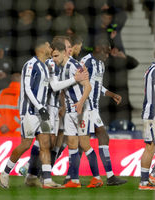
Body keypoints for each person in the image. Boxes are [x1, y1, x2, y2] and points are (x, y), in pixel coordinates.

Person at [20, 35, 88, 186]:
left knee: (58, 142)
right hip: (49, 107)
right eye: (68, 46)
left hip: (60, 108)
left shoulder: (68, 64)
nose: (70, 49)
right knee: (48, 141)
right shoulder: (51, 63)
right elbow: (55, 86)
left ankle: (44, 173)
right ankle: (31, 170)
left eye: (70, 46)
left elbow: (63, 89)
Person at [0, 38, 62, 189]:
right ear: (40, 48)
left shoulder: (46, 67)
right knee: (26, 144)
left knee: (45, 144)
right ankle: (5, 172)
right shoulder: (30, 64)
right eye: (48, 45)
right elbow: (27, 88)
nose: (50, 47)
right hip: (30, 112)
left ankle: (47, 181)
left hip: (43, 112)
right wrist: (40, 107)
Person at [51, 39, 103, 188]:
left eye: (55, 56)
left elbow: (88, 87)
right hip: (69, 112)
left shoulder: (75, 65)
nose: (54, 59)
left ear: (62, 53)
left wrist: (80, 103)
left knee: (85, 144)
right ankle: (74, 180)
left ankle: (97, 178)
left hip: (81, 111)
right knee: (72, 145)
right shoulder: (60, 68)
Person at [79, 38, 127, 186]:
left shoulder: (100, 64)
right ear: (98, 48)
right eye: (106, 51)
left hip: (93, 108)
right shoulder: (85, 62)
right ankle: (40, 170)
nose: (108, 55)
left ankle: (109, 176)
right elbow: (78, 83)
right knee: (72, 142)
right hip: (84, 108)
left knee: (98, 138)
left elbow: (96, 85)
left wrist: (111, 94)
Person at [138, 60, 155, 190]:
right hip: (153, 115)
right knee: (150, 146)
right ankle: (144, 181)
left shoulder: (151, 68)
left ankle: (154, 174)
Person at [0, 73, 21, 137]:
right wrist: (9, 127)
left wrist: (1, 126)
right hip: (16, 136)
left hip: (1, 135)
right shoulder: (23, 95)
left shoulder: (0, 93)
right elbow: (22, 115)